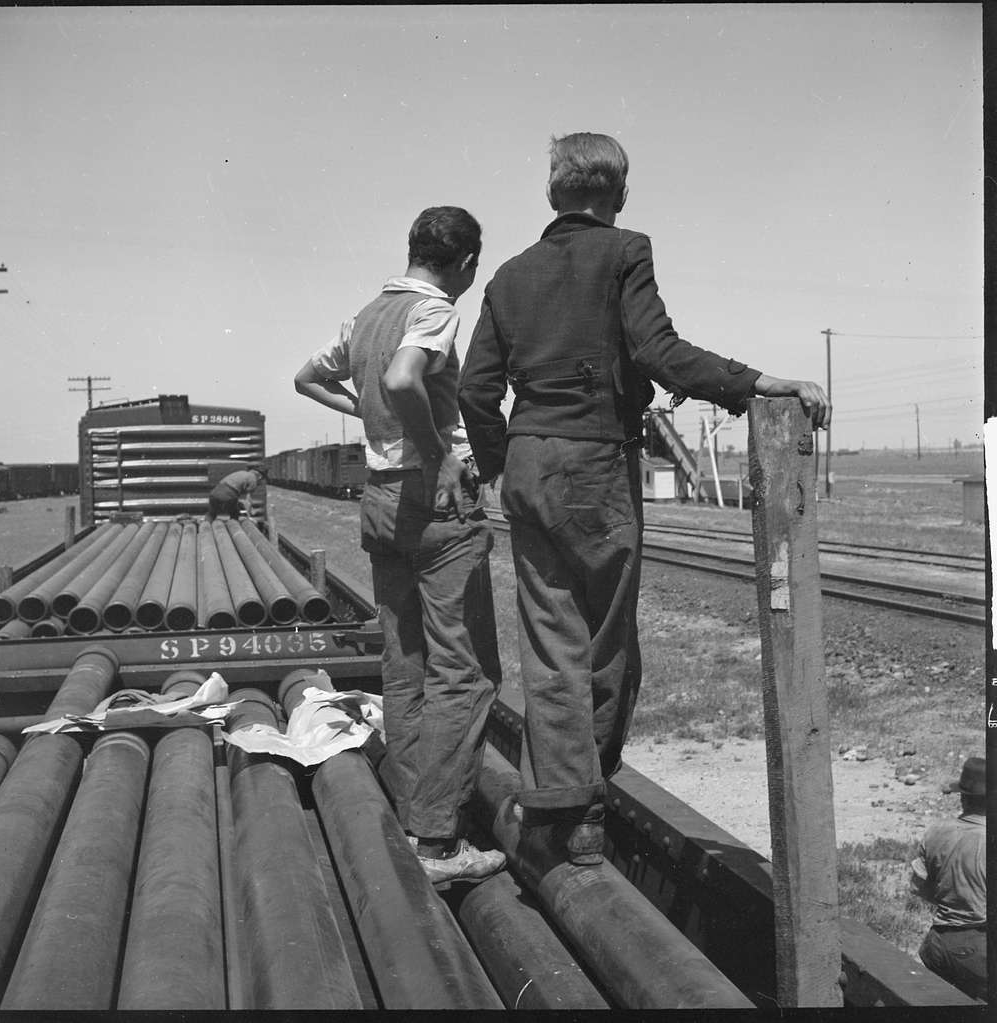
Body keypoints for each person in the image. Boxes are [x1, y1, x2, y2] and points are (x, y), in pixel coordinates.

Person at [458, 132, 831, 868]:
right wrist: (757, 381)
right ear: (617, 193)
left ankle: (557, 806)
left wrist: (503, 464)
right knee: (604, 640)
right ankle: (584, 810)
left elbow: (476, 390)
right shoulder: (627, 250)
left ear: (553, 193)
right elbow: (659, 353)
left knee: (550, 637)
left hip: (531, 464)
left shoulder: (506, 275)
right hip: (598, 464)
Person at [293, 206, 505, 887]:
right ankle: (439, 842)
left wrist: (364, 415)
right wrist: (441, 453)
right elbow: (403, 380)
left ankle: (414, 813)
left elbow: (307, 376)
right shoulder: (435, 311)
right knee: (464, 671)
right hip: (435, 504)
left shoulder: (364, 318)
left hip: (380, 501)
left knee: (404, 661)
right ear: (465, 263)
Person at [909, 756, 987, 1001]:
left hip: (936, 943)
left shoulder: (935, 832)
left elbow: (919, 887)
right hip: (977, 949)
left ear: (963, 797)